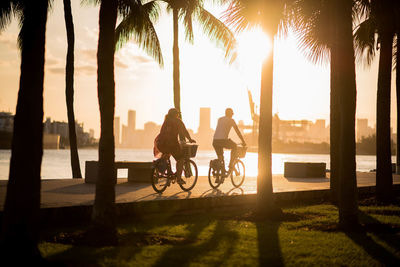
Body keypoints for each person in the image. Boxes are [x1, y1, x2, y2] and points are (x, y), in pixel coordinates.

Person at [154, 108, 196, 184]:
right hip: (172, 144)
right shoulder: (177, 121)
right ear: (176, 114)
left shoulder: (166, 121)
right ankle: (179, 179)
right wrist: (190, 139)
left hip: (161, 143)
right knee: (180, 159)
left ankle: (169, 174)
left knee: (167, 155)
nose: (178, 115)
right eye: (178, 113)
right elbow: (184, 131)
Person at [213, 108, 246, 175]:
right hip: (223, 140)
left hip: (215, 141)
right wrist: (243, 141)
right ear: (230, 114)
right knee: (234, 146)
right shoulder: (231, 121)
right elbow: (238, 132)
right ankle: (231, 165)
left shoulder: (220, 119)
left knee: (220, 158)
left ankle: (219, 174)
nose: (232, 115)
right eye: (232, 114)